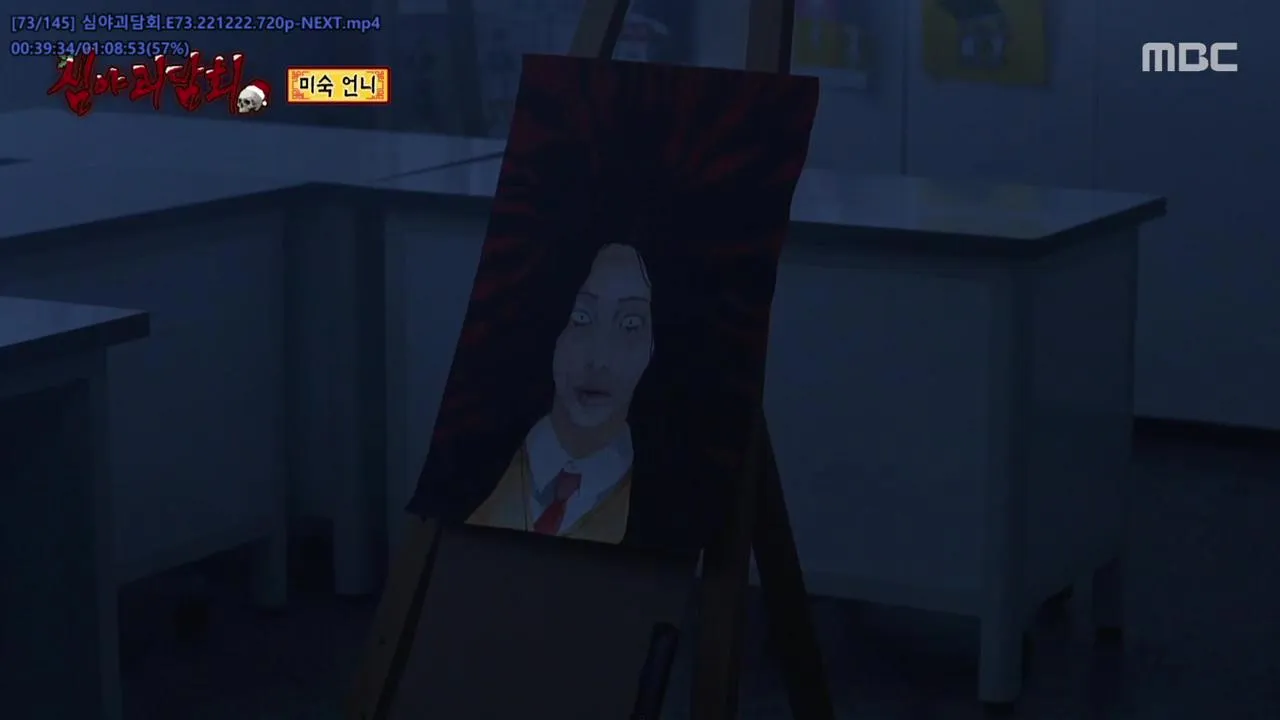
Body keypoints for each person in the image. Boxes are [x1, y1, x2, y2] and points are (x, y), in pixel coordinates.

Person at [465, 243, 653, 543]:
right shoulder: (474, 468)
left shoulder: (667, 504)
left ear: (653, 345)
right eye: (581, 319)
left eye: (630, 325)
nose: (599, 360)